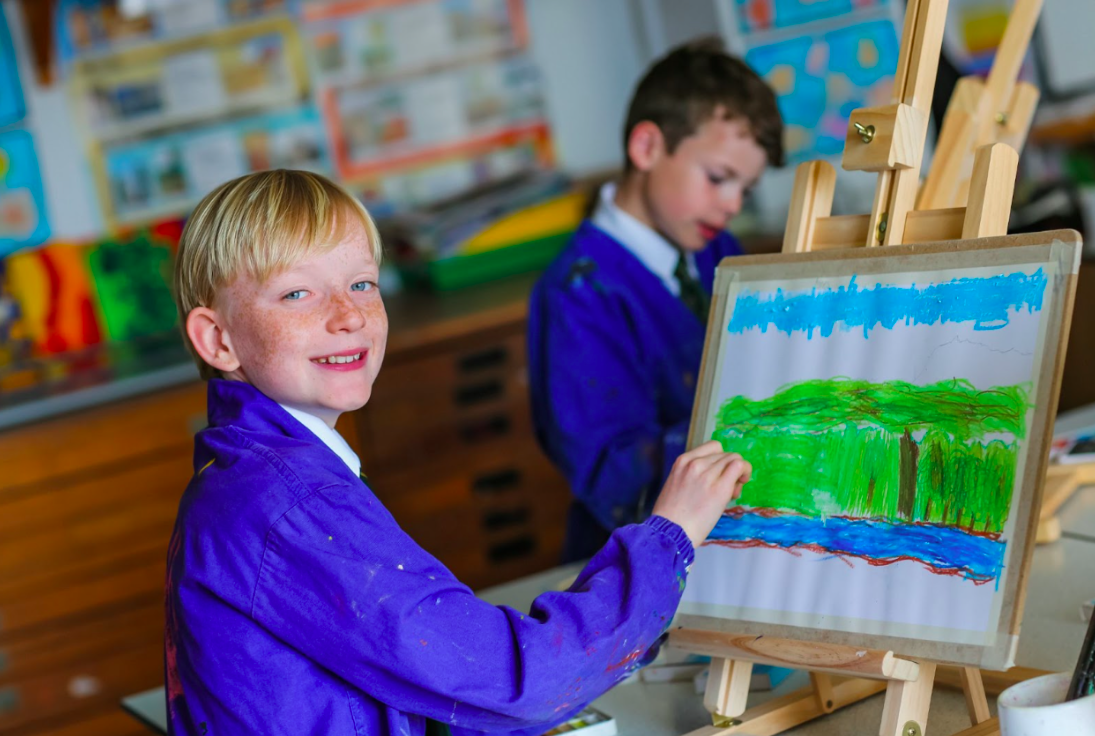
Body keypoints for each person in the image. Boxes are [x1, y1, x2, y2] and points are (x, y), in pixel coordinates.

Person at [165, 169, 752, 735]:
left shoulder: (249, 472)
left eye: (362, 283)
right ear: (218, 339)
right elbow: (516, 680)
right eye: (297, 293)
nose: (348, 316)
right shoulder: (292, 503)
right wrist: (667, 537)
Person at [528, 37, 784, 562]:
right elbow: (612, 472)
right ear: (647, 148)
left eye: (747, 189)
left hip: (729, 543)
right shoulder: (579, 295)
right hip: (631, 564)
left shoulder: (718, 252)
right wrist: (750, 436)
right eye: (718, 178)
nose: (732, 204)